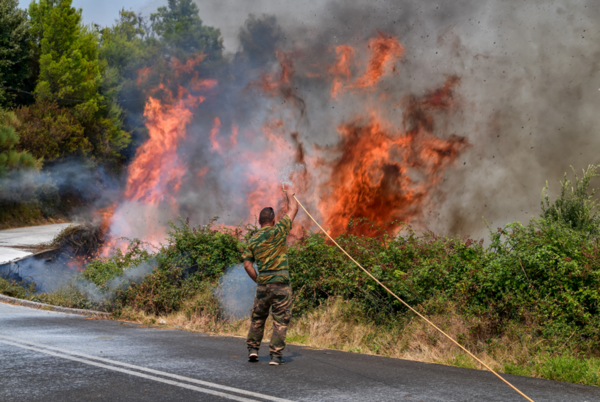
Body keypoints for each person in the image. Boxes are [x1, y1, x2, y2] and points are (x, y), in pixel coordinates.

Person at [243, 183, 299, 365]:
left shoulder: (253, 240)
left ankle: (253, 350)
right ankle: (275, 356)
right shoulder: (279, 230)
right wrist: (290, 194)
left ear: (260, 222)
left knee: (258, 318)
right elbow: (293, 209)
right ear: (273, 220)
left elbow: (247, 265)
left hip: (263, 284)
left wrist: (259, 279)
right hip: (281, 284)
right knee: (280, 321)